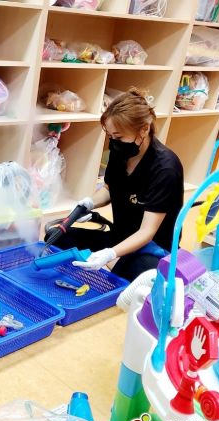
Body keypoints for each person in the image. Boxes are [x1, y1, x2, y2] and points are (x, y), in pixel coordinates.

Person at [45, 88, 184, 281]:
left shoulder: (165, 168)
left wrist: (110, 254)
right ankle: (111, 265)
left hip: (151, 248)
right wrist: (89, 203)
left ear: (144, 129)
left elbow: (147, 232)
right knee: (56, 237)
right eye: (110, 136)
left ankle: (118, 265)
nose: (114, 142)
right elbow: (110, 189)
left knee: (141, 274)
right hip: (119, 237)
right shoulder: (121, 153)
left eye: (119, 137)